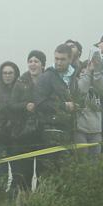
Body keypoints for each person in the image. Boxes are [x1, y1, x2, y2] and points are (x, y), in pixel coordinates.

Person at [33, 44, 78, 177]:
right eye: (56, 58)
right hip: (49, 130)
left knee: (67, 173)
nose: (58, 62)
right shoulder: (46, 77)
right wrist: (63, 106)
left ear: (70, 59)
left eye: (62, 59)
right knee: (48, 173)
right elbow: (39, 103)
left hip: (70, 129)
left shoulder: (75, 76)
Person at [9, 50, 46, 191]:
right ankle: (25, 205)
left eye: (36, 61)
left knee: (43, 174)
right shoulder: (20, 82)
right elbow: (11, 105)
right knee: (24, 174)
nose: (33, 64)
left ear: (42, 64)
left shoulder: (48, 79)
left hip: (44, 133)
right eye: (30, 61)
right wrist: (25, 106)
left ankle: (42, 203)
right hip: (24, 134)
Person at [0, 61, 20, 189]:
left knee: (17, 175)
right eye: (5, 73)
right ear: (0, 75)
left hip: (17, 139)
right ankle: (0, 203)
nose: (7, 76)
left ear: (15, 74)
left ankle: (13, 202)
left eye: (10, 73)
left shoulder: (21, 90)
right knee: (1, 176)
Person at [73, 49, 103, 157]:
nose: (86, 75)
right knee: (82, 158)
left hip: (96, 130)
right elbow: (81, 90)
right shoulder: (77, 85)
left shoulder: (97, 86)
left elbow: (102, 88)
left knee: (95, 161)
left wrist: (96, 70)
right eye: (82, 73)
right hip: (80, 130)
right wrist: (87, 71)